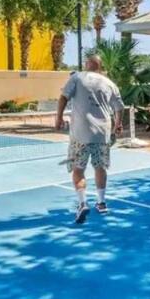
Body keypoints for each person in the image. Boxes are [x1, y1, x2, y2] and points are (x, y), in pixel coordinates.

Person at [55, 53, 124, 224]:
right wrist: (118, 124)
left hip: (81, 134)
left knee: (78, 169)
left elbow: (63, 97)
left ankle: (82, 203)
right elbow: (119, 108)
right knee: (100, 167)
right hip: (102, 134)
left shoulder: (77, 78)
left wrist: (58, 118)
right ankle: (101, 203)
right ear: (100, 66)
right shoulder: (110, 83)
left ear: (87, 64)